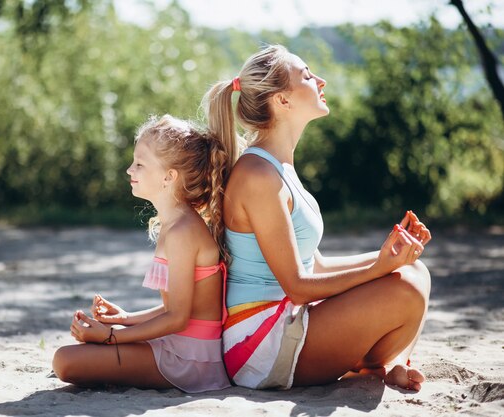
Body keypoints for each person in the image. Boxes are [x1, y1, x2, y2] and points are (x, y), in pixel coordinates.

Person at [202, 44, 432, 392]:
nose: (320, 80)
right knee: (405, 291)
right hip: (260, 345)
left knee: (415, 271)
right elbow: (297, 287)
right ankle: (378, 363)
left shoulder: (278, 167)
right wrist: (378, 269)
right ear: (282, 101)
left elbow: (316, 267)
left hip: (287, 320)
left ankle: (389, 362)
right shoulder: (258, 176)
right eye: (307, 75)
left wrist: (394, 256)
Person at [52, 115, 231, 393]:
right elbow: (177, 308)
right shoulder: (176, 224)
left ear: (168, 177)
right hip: (178, 345)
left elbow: (178, 318)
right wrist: (124, 318)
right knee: (77, 352)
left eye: (139, 163)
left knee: (64, 361)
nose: (129, 170)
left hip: (191, 360)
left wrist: (112, 336)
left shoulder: (183, 231)